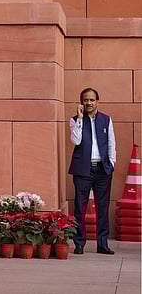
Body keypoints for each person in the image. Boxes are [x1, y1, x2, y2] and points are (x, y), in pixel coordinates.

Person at [68, 87, 117, 255]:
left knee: (102, 207)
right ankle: (79, 243)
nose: (89, 102)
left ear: (97, 101)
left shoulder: (106, 120)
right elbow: (76, 141)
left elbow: (111, 143)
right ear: (82, 102)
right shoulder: (75, 120)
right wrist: (81, 119)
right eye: (86, 100)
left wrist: (111, 164)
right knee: (79, 207)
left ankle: (102, 244)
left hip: (103, 169)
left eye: (92, 100)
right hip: (83, 169)